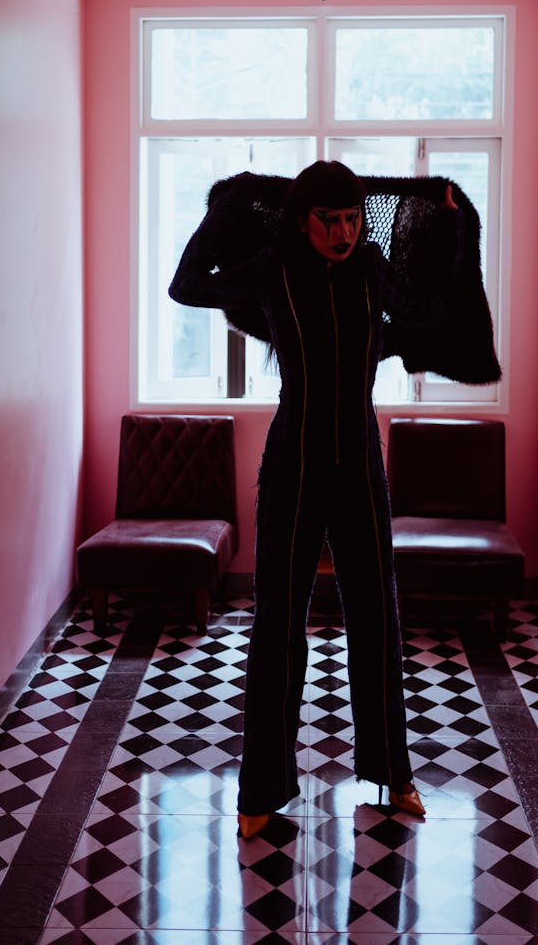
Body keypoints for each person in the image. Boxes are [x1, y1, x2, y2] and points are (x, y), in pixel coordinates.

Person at [169, 160, 461, 839]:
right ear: (304, 220)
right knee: (277, 625)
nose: (343, 231)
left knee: (377, 620)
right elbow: (187, 286)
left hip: (360, 464)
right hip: (294, 464)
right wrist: (222, 214)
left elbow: (426, 309)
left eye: (352, 218)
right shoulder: (275, 269)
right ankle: (261, 790)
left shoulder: (371, 268)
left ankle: (392, 774)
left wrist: (446, 228)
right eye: (329, 219)